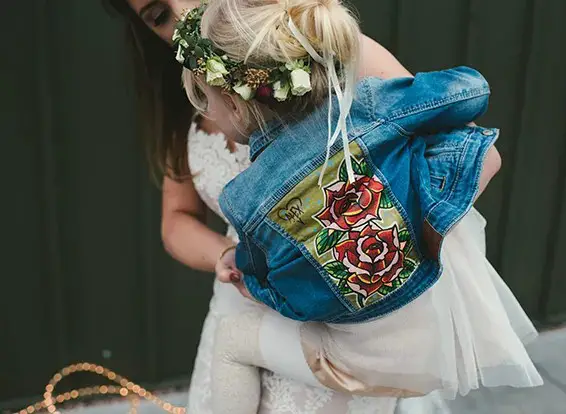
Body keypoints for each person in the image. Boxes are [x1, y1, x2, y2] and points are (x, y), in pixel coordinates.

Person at [104, 0, 473, 412]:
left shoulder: (328, 51)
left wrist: (380, 244)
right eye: (159, 16)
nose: (186, 14)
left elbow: (458, 149)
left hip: (341, 312)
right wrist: (226, 257)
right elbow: (177, 221)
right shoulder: (185, 97)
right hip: (241, 299)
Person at [178, 0, 543, 413]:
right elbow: (471, 93)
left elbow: (283, 296)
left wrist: (259, 282)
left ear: (236, 103)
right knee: (464, 155)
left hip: (355, 364)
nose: (206, 113)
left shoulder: (246, 196)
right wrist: (403, 216)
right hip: (440, 336)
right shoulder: (368, 108)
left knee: (232, 339)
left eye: (206, 101)